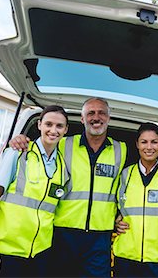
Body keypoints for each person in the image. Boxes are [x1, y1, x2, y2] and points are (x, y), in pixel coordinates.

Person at [8, 97, 127, 277]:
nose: (96, 117)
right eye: (90, 113)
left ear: (109, 118)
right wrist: (20, 140)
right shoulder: (62, 143)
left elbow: (129, 187)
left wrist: (122, 215)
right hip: (63, 233)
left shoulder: (122, 150)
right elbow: (39, 149)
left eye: (101, 112)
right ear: (82, 119)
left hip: (100, 237)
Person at [0, 105, 69, 277]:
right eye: (48, 124)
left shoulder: (62, 164)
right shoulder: (18, 153)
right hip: (7, 252)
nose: (53, 130)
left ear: (66, 130)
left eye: (59, 126)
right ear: (39, 125)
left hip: (40, 255)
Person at [113, 123, 158, 277]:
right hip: (126, 257)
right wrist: (114, 221)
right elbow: (110, 206)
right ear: (137, 144)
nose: (149, 147)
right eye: (144, 142)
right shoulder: (125, 174)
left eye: (154, 142)